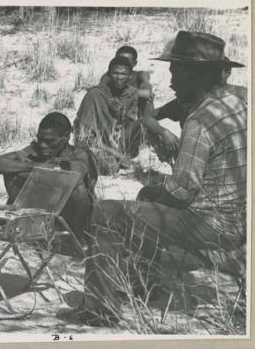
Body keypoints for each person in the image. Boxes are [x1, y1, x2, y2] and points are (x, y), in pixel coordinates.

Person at [60, 31, 247, 327]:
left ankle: (100, 309)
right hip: (243, 216)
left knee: (107, 212)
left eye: (176, 71)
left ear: (195, 74)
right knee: (147, 195)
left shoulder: (201, 121)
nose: (171, 79)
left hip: (212, 224)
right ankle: (146, 282)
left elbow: (183, 189)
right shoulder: (242, 98)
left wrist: (159, 192)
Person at [0, 112, 98, 247]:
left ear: (66, 137)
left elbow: (77, 173)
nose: (43, 145)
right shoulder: (36, 150)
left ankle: (75, 242)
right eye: (40, 139)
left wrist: (44, 171)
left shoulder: (80, 153)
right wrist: (36, 166)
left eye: (50, 141)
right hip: (39, 212)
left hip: (69, 215)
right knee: (11, 172)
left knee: (79, 192)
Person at [141, 56, 246, 164]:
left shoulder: (243, 95)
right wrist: (164, 132)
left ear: (228, 72)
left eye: (214, 71)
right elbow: (147, 117)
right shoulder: (192, 98)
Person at [74, 56, 140, 175]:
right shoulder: (95, 95)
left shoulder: (132, 93)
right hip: (98, 145)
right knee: (110, 166)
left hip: (118, 143)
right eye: (116, 73)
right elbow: (84, 136)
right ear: (109, 74)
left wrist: (122, 113)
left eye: (123, 74)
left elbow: (128, 127)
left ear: (130, 76)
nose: (119, 77)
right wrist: (118, 155)